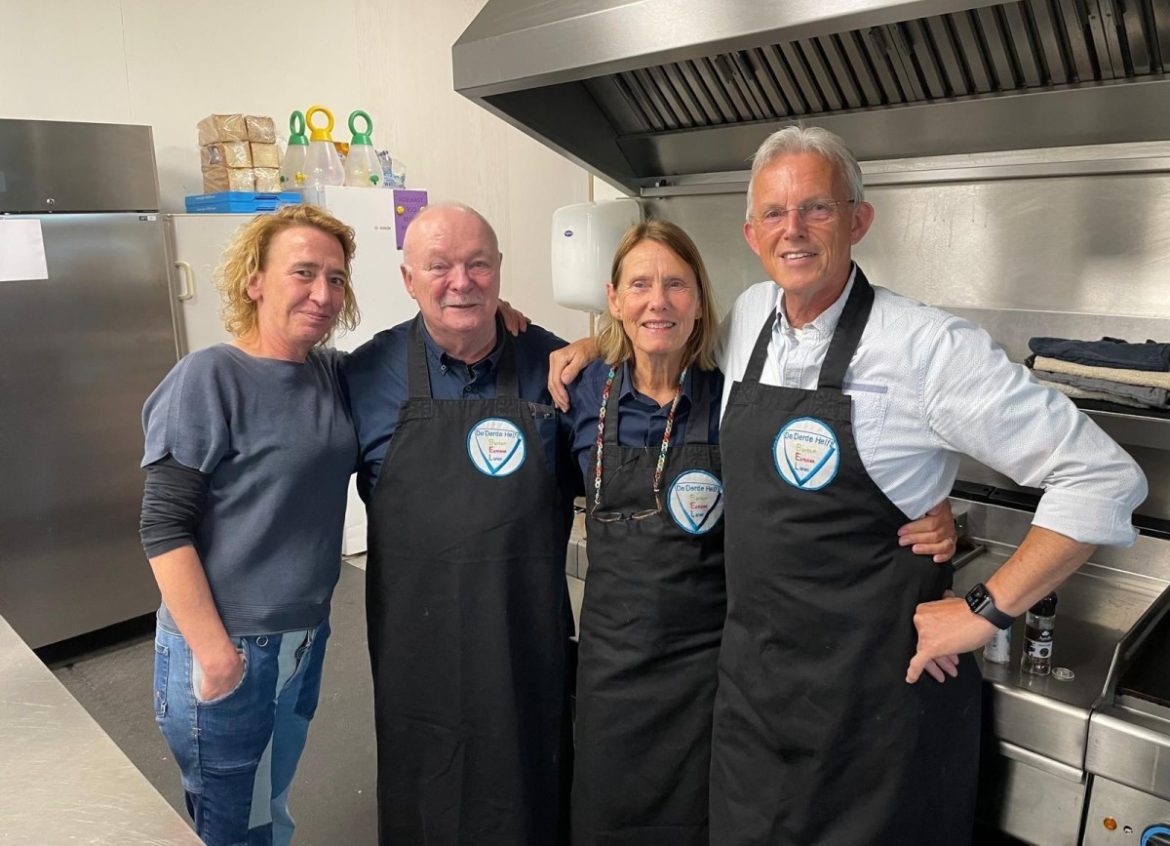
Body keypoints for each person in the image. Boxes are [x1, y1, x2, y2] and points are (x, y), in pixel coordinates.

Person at [709, 126, 1145, 845]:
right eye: (774, 215)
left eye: (817, 208)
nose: (794, 231)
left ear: (858, 220)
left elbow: (1102, 476)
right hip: (754, 708)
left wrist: (984, 607)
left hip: (876, 724)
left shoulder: (928, 349)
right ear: (752, 233)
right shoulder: (748, 318)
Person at [561, 219, 959, 846]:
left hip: (712, 671)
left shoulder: (736, 395)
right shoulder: (582, 390)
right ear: (614, 299)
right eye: (638, 285)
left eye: (675, 285)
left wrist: (926, 512)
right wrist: (582, 345)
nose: (656, 300)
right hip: (613, 667)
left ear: (700, 302)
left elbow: (819, 486)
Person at [341, 203, 579, 846]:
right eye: (439, 267)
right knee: (428, 797)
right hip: (417, 650)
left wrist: (600, 340)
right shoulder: (362, 375)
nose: (461, 282)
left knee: (534, 787)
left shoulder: (559, 366)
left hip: (525, 638)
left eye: (478, 265)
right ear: (407, 278)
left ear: (500, 272)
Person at [139, 204, 360, 846]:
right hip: (228, 644)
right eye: (303, 273)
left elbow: (422, 346)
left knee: (270, 805)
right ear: (255, 280)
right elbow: (163, 527)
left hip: (303, 638)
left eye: (337, 278)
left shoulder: (332, 374)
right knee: (230, 826)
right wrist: (215, 657)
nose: (322, 293)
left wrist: (507, 323)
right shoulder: (209, 377)